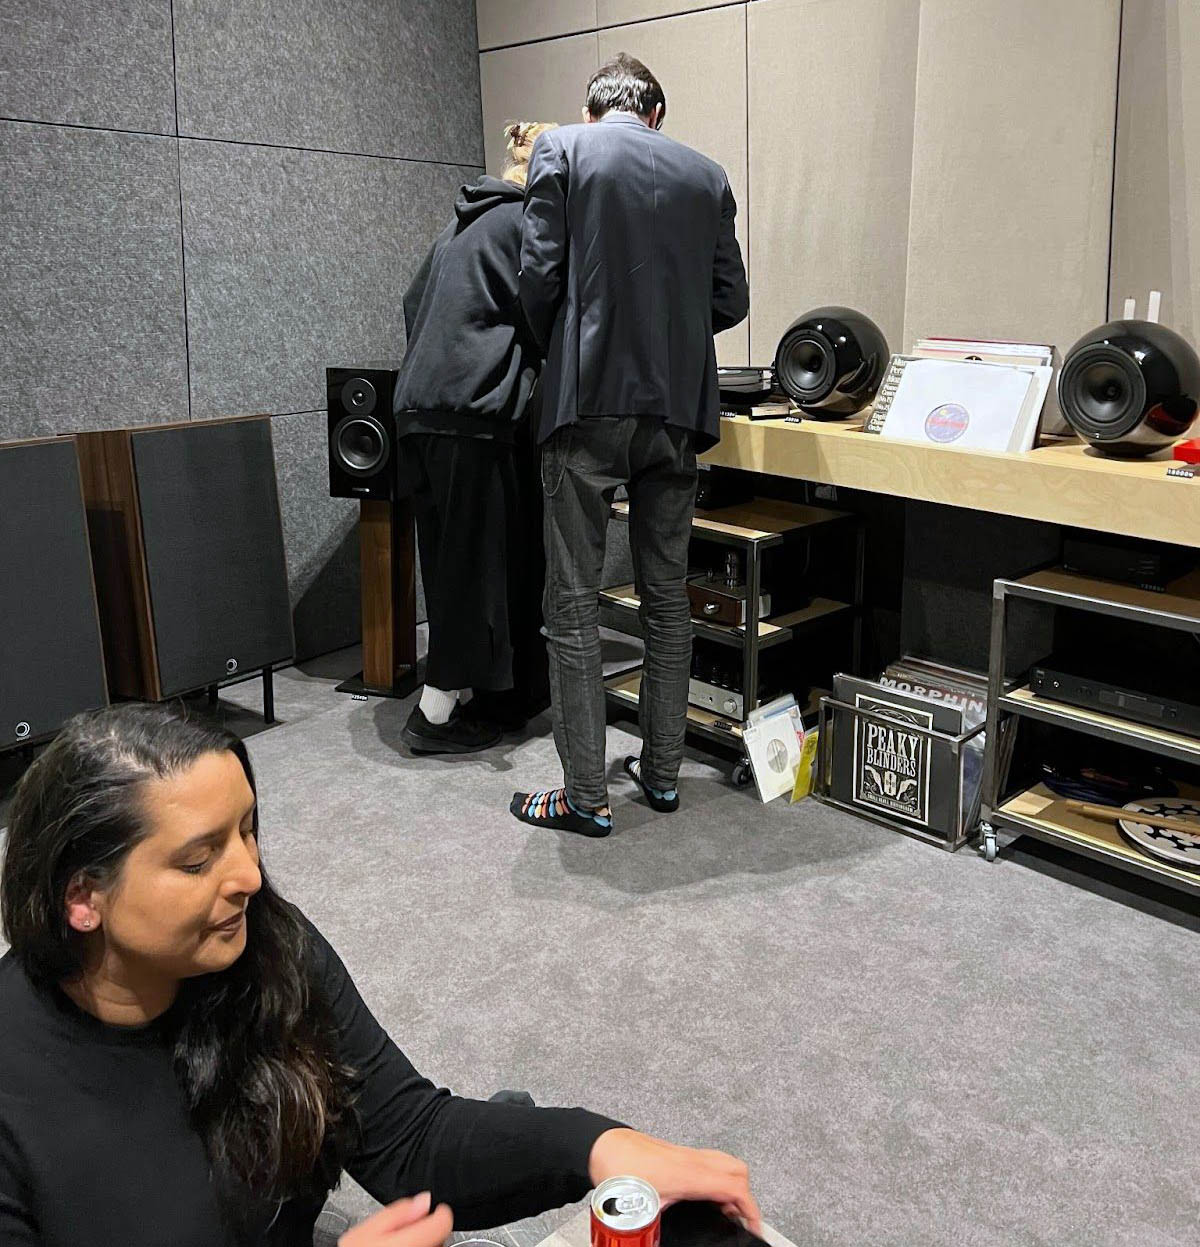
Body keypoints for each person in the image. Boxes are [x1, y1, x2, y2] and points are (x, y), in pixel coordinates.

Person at [0, 703, 762, 1245]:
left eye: (249, 830)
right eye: (199, 859)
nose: (251, 876)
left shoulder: (263, 948)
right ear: (82, 897)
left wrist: (596, 1146)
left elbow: (411, 1138)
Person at [511, 55, 749, 838]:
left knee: (574, 601)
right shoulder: (706, 175)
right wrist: (667, 333)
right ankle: (663, 775)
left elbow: (538, 277)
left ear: (591, 109)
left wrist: (568, 350)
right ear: (656, 112)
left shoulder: (564, 151)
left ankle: (585, 795)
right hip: (677, 411)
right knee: (667, 598)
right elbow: (730, 298)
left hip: (586, 399)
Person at [394, 123, 557, 757]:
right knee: (483, 567)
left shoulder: (459, 225)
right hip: (475, 413)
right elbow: (545, 311)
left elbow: (412, 303)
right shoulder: (525, 224)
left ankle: (492, 695)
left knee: (453, 560)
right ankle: (435, 715)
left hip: (420, 410)